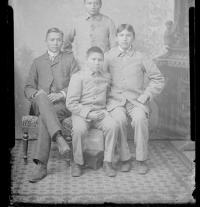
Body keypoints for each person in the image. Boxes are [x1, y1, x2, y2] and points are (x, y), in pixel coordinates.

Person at [104, 24, 165, 174]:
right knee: (119, 120)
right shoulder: (108, 56)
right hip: (115, 101)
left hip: (136, 101)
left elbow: (158, 79)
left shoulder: (141, 57)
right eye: (121, 35)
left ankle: (141, 159)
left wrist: (146, 95)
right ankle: (125, 159)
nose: (125, 39)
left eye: (128, 35)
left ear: (133, 38)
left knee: (140, 119)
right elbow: (99, 79)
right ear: (116, 38)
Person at [24, 27, 79, 183]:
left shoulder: (70, 59)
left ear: (62, 42)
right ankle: (59, 139)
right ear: (46, 41)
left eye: (58, 40)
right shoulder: (37, 62)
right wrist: (39, 96)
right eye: (52, 39)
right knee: (41, 96)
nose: (55, 43)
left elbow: (78, 84)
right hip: (40, 103)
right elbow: (28, 87)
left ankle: (41, 166)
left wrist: (61, 94)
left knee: (44, 118)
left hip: (62, 105)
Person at [66, 46, 119, 177]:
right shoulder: (78, 77)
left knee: (112, 126)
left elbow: (110, 97)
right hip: (81, 113)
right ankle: (78, 163)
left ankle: (108, 162)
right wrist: (88, 114)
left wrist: (107, 111)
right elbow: (71, 103)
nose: (97, 62)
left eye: (100, 60)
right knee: (79, 130)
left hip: (100, 113)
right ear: (87, 60)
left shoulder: (107, 77)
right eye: (93, 59)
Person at [62, 0, 116, 68]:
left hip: (102, 66)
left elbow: (114, 47)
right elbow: (65, 42)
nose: (93, 6)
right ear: (85, 4)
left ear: (100, 4)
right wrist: (73, 58)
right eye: (89, 3)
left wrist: (107, 62)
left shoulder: (108, 22)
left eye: (96, 3)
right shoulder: (77, 21)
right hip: (81, 66)